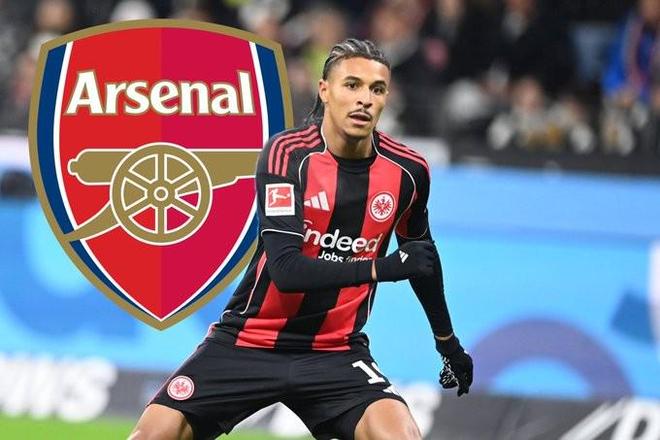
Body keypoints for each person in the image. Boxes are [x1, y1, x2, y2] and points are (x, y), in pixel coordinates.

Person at [129, 38, 473, 440]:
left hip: (336, 352)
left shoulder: (408, 171)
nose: (364, 99)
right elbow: (286, 270)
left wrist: (447, 343)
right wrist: (383, 267)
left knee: (401, 436)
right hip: (248, 341)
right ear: (325, 90)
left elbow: (422, 262)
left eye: (376, 89)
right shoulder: (288, 154)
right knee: (152, 436)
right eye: (352, 85)